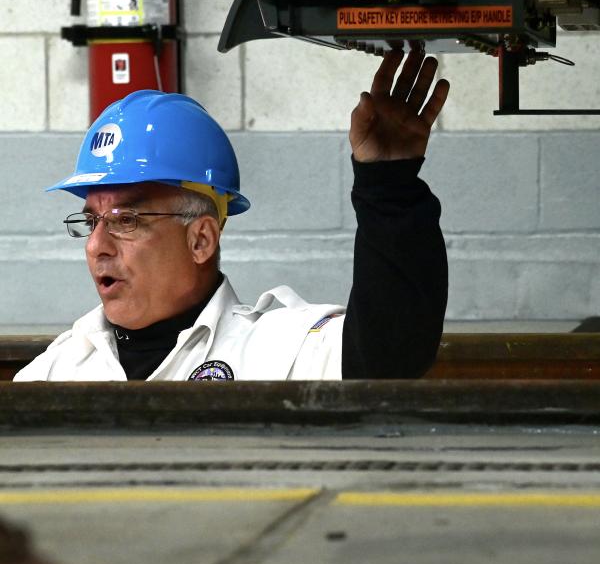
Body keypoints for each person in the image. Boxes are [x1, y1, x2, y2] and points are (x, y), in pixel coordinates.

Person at [14, 48, 449, 382]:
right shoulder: (55, 371)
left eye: (126, 220)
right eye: (91, 221)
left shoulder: (279, 350)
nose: (96, 246)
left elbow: (391, 355)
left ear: (201, 239)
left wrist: (389, 187)